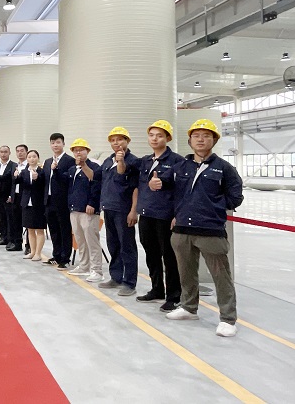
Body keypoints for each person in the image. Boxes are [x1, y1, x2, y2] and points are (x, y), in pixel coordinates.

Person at [163, 119, 243, 337]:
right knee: (186, 272)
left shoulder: (224, 168)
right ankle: (189, 307)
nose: (200, 139)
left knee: (221, 276)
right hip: (182, 230)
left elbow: (235, 197)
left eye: (206, 136)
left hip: (210, 230)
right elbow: (169, 191)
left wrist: (213, 208)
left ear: (214, 140)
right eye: (196, 136)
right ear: (190, 140)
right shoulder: (181, 167)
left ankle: (228, 318)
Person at [136, 120, 185, 312]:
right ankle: (157, 289)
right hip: (146, 214)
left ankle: (174, 295)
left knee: (169, 256)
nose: (154, 139)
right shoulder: (146, 161)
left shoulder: (177, 161)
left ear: (168, 138)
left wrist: (177, 214)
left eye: (159, 135)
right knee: (151, 253)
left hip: (165, 216)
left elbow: (182, 191)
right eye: (151, 135)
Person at [98, 127, 140, 297]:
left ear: (127, 141)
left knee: (127, 246)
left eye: (120, 139)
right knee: (113, 245)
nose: (116, 143)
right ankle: (116, 277)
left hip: (124, 210)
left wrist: (133, 211)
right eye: (113, 140)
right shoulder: (108, 161)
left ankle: (129, 283)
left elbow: (136, 188)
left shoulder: (134, 161)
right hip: (109, 208)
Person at [67, 139, 104, 283]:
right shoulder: (72, 169)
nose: (78, 152)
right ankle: (84, 266)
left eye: (81, 150)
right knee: (80, 239)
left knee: (92, 241)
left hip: (88, 210)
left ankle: (97, 270)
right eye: (75, 150)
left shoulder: (95, 167)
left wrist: (92, 203)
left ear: (87, 151)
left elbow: (96, 185)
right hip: (74, 209)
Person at [42, 133, 76, 270]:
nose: (55, 145)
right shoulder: (47, 162)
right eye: (52, 143)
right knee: (53, 229)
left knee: (64, 229)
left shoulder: (69, 160)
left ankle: (65, 258)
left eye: (58, 142)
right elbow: (45, 181)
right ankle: (56, 255)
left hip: (62, 201)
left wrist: (56, 170)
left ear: (63, 144)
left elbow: (68, 180)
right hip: (49, 200)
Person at [19, 150, 46, 261]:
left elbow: (43, 185)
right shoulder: (24, 171)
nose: (32, 159)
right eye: (29, 157)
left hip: (38, 204)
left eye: (34, 156)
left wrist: (36, 178)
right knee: (30, 229)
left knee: (39, 229)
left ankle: (38, 253)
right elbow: (20, 184)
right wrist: (16, 177)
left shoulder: (42, 171)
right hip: (27, 203)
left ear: (38, 158)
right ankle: (32, 251)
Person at [7, 144, 28, 252]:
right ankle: (17, 243)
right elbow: (12, 183)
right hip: (16, 196)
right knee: (16, 220)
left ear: (26, 152)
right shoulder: (15, 166)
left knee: (27, 222)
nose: (20, 153)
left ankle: (29, 245)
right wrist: (11, 195)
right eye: (18, 151)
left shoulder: (29, 165)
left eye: (22, 151)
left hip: (26, 196)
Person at [0, 145, 17, 246]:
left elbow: (13, 182)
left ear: (9, 153)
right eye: (1, 152)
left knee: (10, 218)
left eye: (5, 152)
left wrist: (11, 195)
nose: (3, 154)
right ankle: (3, 237)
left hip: (7, 195)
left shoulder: (13, 165)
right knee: (1, 217)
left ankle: (10, 239)